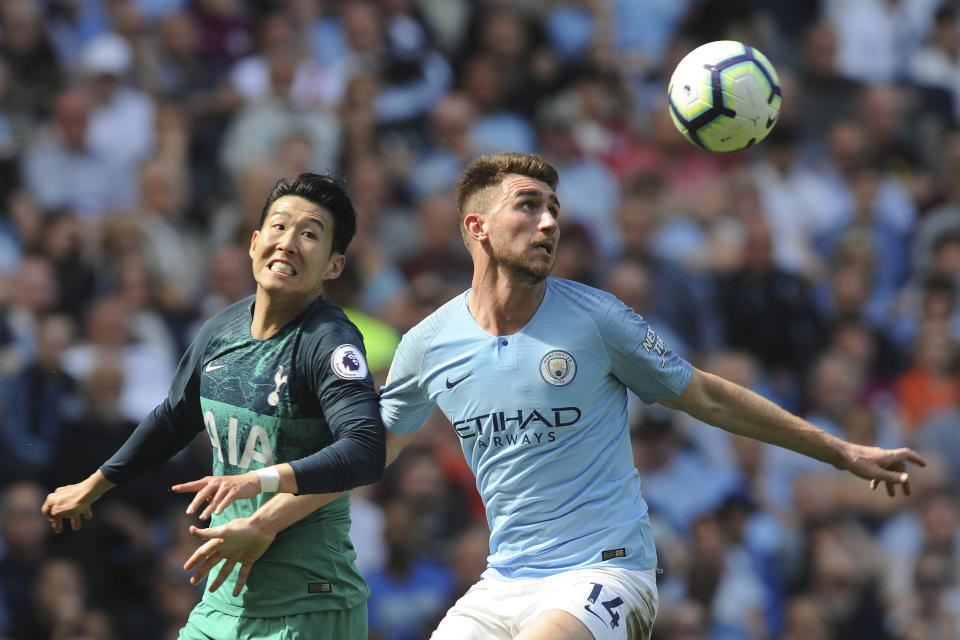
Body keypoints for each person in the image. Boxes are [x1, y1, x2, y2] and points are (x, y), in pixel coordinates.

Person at [179, 153, 926, 640]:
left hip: (607, 571)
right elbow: (356, 459)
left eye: (554, 211)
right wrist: (265, 523)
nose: (549, 223)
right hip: (504, 581)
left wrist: (838, 448)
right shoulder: (428, 344)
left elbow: (709, 398)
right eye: (528, 207)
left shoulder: (598, 318)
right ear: (476, 227)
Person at [41, 173, 387, 640]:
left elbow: (366, 449)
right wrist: (96, 484)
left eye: (310, 234)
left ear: (334, 265)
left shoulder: (329, 342)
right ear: (254, 242)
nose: (288, 242)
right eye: (279, 227)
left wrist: (259, 480)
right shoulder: (223, 328)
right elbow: (174, 418)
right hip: (222, 604)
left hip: (307, 606)